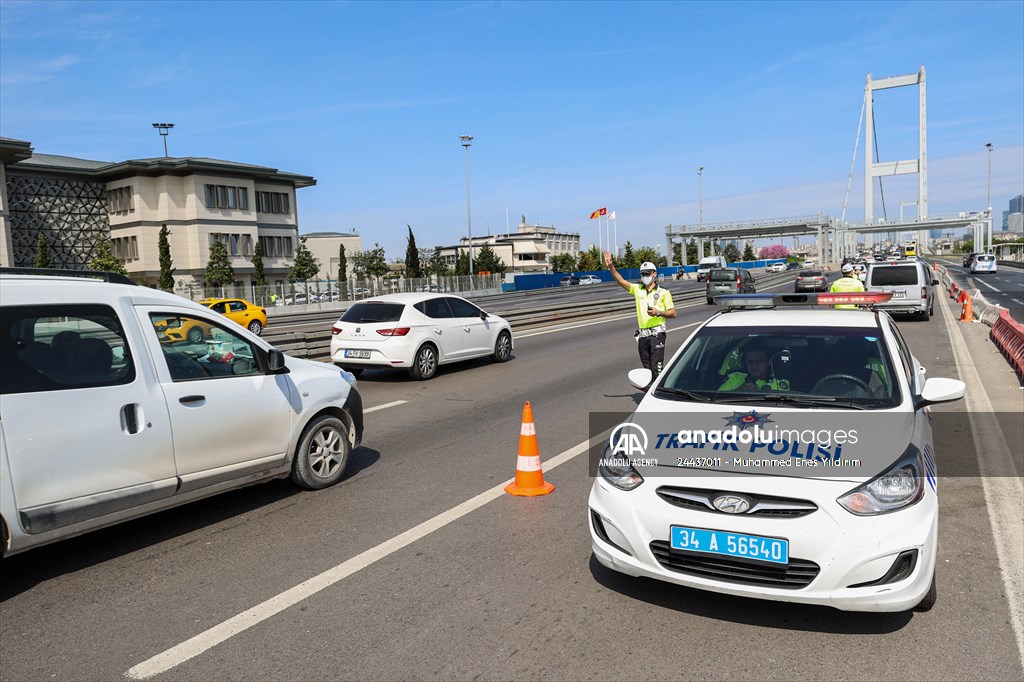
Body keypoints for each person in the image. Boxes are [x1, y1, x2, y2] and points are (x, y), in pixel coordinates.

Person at [604, 251, 676, 379]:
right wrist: (611, 267)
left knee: (656, 369)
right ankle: (650, 392)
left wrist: (658, 312)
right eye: (643, 274)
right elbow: (620, 280)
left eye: (647, 274)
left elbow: (673, 313)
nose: (645, 276)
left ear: (654, 274)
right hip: (643, 336)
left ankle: (659, 394)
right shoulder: (638, 289)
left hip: (657, 336)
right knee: (647, 370)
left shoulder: (663, 292)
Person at [719, 341, 790, 391]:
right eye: (750, 362)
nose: (754, 367)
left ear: (768, 362)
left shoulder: (780, 383)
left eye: (759, 361)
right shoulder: (733, 378)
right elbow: (716, 399)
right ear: (744, 362)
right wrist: (739, 391)